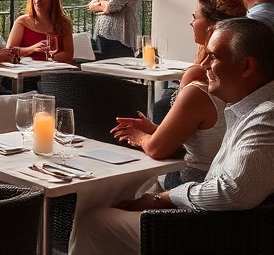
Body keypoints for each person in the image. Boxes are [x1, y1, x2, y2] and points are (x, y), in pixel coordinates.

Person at [70, 17, 274, 255]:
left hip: (219, 233)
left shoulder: (266, 117)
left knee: (93, 221)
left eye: (214, 57)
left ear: (247, 67)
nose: (205, 65)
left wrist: (166, 198)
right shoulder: (247, 109)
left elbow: (234, 191)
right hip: (220, 220)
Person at [111, 0, 245, 188]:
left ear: (211, 27)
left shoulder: (199, 82)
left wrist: (139, 137)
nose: (191, 22)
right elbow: (207, 138)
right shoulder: (244, 78)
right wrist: (154, 130)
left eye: (195, 17)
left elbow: (157, 149)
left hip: (194, 187)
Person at [7, 0, 73, 63]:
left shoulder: (64, 23)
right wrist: (32, 49)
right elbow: (9, 51)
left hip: (55, 71)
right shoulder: (22, 22)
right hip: (27, 71)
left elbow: (68, 55)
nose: (37, 0)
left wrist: (51, 56)